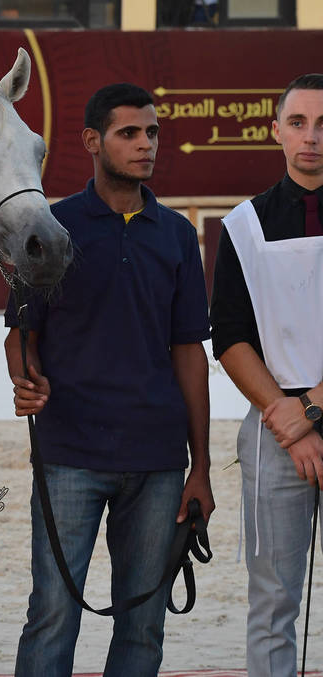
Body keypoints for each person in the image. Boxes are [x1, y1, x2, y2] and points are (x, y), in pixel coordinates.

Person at [4, 83, 214, 677]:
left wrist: (200, 467)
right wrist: (26, 378)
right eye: (129, 133)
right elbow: (21, 334)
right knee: (52, 613)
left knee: (143, 626)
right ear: (92, 142)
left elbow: (189, 353)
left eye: (152, 133)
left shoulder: (175, 233)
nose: (145, 145)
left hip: (157, 462)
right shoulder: (51, 224)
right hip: (69, 455)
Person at [210, 73, 323, 677]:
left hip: (291, 421)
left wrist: (307, 412)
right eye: (299, 123)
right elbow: (228, 335)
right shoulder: (243, 225)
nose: (312, 138)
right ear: (275, 131)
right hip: (274, 435)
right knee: (273, 601)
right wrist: (289, 419)